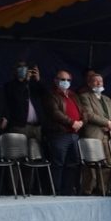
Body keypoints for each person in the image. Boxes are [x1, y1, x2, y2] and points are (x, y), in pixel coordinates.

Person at [43, 67, 85, 195]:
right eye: (62, 79)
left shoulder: (73, 95)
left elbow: (84, 111)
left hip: (74, 134)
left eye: (68, 80)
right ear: (56, 80)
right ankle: (56, 190)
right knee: (58, 163)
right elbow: (55, 113)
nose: (65, 82)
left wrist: (81, 122)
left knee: (73, 164)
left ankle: (68, 190)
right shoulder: (51, 95)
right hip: (59, 134)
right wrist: (72, 122)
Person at [77, 71, 111, 196]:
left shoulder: (107, 98)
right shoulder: (85, 96)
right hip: (94, 134)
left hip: (108, 135)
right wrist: (107, 123)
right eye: (96, 81)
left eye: (101, 81)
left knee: (107, 164)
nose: (99, 83)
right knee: (91, 164)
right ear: (89, 83)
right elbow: (89, 115)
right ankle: (88, 190)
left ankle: (103, 189)